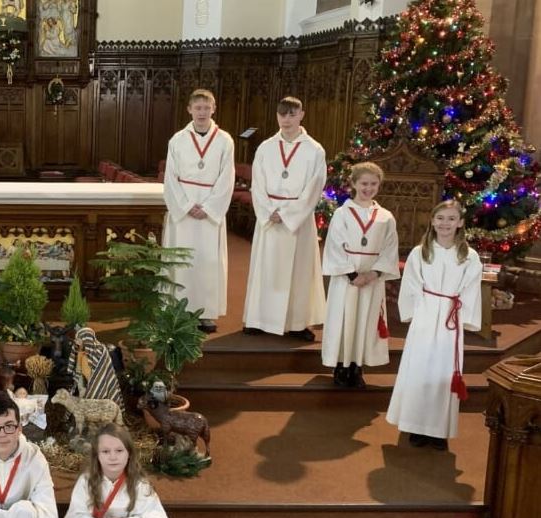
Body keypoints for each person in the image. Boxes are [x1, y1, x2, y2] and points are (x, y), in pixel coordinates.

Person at [386, 201, 482, 451]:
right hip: (426, 314)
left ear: (460, 222)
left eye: (451, 219)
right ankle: (415, 425)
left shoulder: (468, 256)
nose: (445, 224)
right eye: (440, 218)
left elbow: (471, 287)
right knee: (419, 370)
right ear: (432, 220)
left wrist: (464, 317)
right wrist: (416, 312)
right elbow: (411, 283)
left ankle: (438, 431)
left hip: (451, 316)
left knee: (442, 373)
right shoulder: (421, 252)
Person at [243, 96, 327, 341]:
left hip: (297, 221)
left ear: (302, 114)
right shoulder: (266, 147)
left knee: (299, 272)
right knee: (266, 269)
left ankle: (297, 323)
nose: (286, 119)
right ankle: (258, 318)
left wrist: (289, 214)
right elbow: (256, 184)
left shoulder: (314, 149)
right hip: (269, 216)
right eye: (282, 114)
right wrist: (269, 211)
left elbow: (315, 187)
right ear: (277, 116)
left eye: (292, 114)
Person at [320, 162, 400, 388]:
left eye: (373, 184)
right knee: (344, 320)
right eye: (364, 183)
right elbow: (334, 245)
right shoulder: (342, 214)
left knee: (365, 321)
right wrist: (353, 275)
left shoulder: (385, 217)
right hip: (347, 279)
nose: (368, 188)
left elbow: (390, 248)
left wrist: (373, 273)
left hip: (372, 280)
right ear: (353, 184)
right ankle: (340, 366)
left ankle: (357, 367)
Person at [162, 88, 236, 333]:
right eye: (198, 108)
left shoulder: (225, 140)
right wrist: (184, 205)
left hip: (209, 208)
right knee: (181, 261)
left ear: (213, 109)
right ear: (189, 109)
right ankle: (178, 309)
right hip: (184, 207)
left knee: (207, 261)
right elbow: (171, 177)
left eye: (207, 108)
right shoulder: (177, 139)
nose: (202, 112)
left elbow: (227, 177)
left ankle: (205, 312)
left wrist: (210, 207)